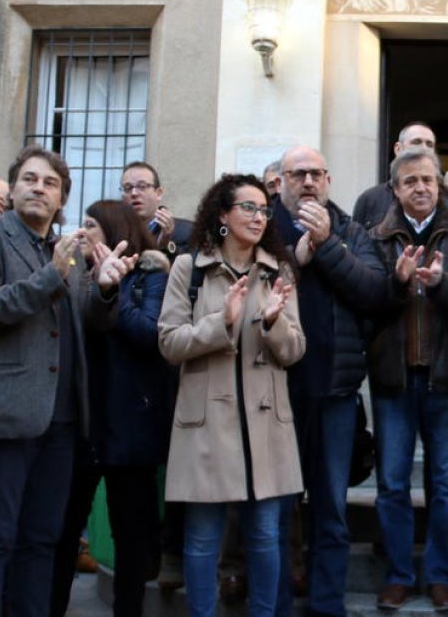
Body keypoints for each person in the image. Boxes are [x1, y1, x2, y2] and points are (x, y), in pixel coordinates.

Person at [0, 145, 132, 617]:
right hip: (6, 412)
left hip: (63, 420)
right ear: (12, 190)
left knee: (43, 540)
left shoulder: (67, 252)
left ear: (61, 200)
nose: (39, 188)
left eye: (50, 183)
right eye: (29, 179)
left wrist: (106, 290)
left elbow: (85, 321)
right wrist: (52, 274)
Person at [156, 174, 305, 617]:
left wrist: (273, 322)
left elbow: (295, 350)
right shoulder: (189, 268)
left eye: (264, 210)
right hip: (205, 422)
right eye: (248, 208)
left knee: (264, 536)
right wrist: (222, 322)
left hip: (265, 423)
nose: (260, 217)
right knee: (202, 539)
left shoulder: (278, 270)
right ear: (223, 214)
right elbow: (169, 343)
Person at [272, 145, 389, 617]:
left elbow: (375, 291)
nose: (307, 181)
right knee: (275, 511)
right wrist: (296, 259)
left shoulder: (352, 230)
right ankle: (274, 604)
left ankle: (326, 606)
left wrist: (328, 248)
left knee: (332, 512)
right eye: (296, 173)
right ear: (279, 180)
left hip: (336, 392)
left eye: (316, 173)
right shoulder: (262, 226)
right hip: (275, 393)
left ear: (329, 179)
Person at [366, 148, 448, 611]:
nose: (420, 188)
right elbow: (366, 299)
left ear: (441, 185)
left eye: (428, 181)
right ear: (394, 188)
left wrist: (442, 284)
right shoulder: (375, 236)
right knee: (392, 483)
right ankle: (397, 574)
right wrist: (394, 284)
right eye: (410, 181)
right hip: (393, 378)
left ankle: (439, 575)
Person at [50, 200, 175, 617]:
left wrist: (111, 289)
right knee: (64, 530)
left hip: (131, 421)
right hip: (80, 419)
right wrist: (91, 284)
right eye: (81, 223)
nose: (81, 232)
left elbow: (147, 334)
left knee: (132, 534)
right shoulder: (69, 275)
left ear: (115, 230)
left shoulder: (152, 276)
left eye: (91, 224)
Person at [352, 121, 439, 231]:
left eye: (429, 144)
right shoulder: (369, 200)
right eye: (416, 142)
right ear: (398, 149)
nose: (423, 149)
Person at [120, 161, 194, 258]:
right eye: (128, 188)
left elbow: (189, 270)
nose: (134, 193)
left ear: (158, 193)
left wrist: (166, 245)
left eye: (142, 186)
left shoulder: (188, 231)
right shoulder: (115, 233)